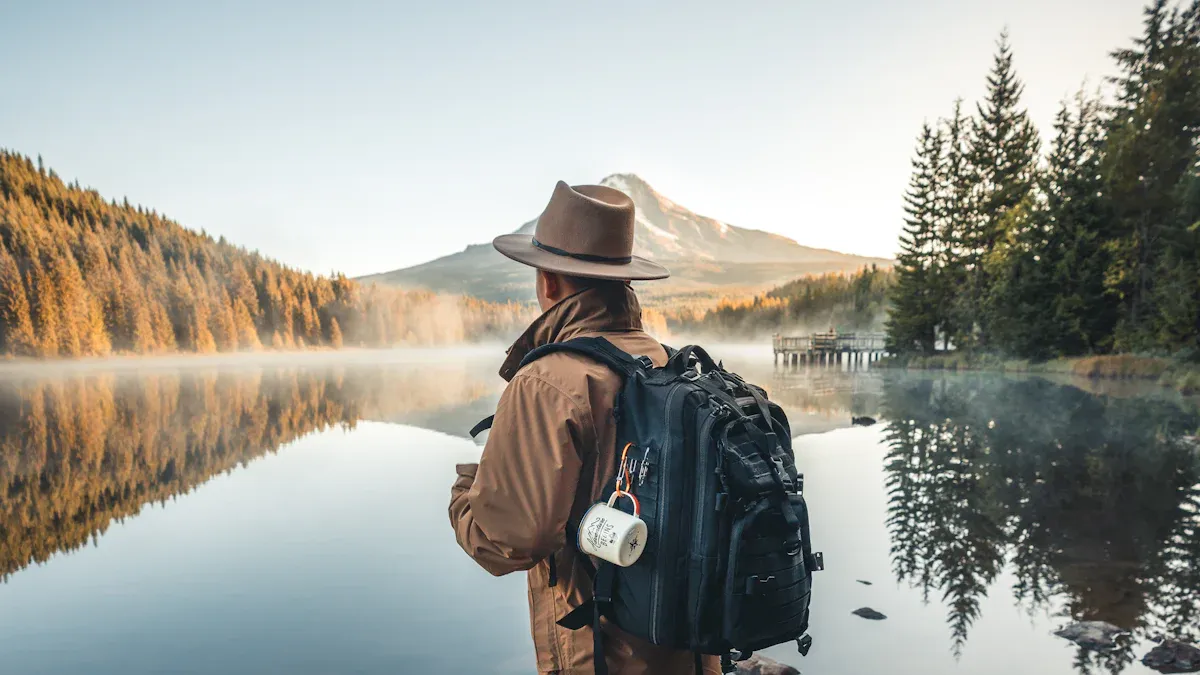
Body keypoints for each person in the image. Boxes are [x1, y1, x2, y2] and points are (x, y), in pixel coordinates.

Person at [449, 180, 720, 674]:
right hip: (691, 653)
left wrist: (465, 495)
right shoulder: (668, 364)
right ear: (625, 282)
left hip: (601, 658)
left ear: (549, 282)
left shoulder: (547, 382)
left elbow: (508, 540)